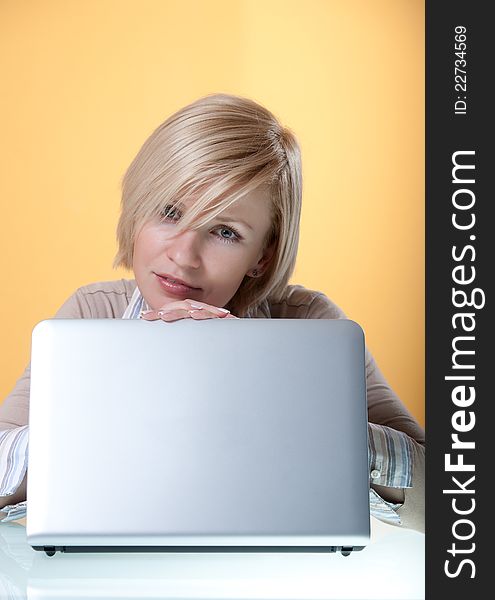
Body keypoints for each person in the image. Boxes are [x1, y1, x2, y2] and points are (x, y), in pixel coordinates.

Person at [0, 93, 425, 532]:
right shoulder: (91, 314)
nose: (184, 256)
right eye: (169, 212)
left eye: (224, 231)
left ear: (263, 255)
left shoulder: (310, 324)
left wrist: (275, 390)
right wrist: (113, 407)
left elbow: (442, 502)